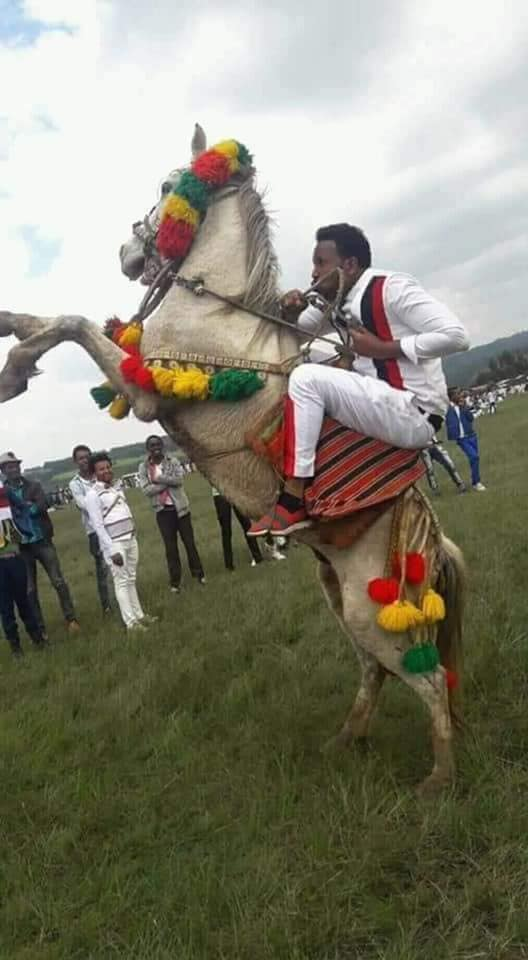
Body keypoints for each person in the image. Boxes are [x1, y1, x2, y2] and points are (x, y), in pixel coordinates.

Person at [249, 223, 470, 536]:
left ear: (349, 265)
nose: (313, 273)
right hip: (385, 404)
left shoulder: (392, 288)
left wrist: (384, 349)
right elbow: (294, 334)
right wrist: (290, 311)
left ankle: (293, 498)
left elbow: (457, 337)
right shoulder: (337, 302)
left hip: (413, 411)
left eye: (320, 263)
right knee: (300, 364)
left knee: (307, 378)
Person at [0, 452, 79, 636]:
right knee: (29, 590)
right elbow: (10, 514)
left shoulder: (34, 485)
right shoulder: (3, 492)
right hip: (21, 546)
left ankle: (71, 619)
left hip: (42, 541)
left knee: (58, 581)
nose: (13, 469)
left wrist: (23, 511)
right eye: (8, 466)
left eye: (15, 465)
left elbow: (42, 504)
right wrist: (26, 508)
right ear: (3, 471)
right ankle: (40, 628)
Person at [85, 452, 155, 633]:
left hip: (130, 538)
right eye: (101, 469)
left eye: (108, 467)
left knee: (131, 578)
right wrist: (110, 549)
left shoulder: (116, 488)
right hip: (115, 544)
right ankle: (131, 623)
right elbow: (98, 525)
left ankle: (139, 615)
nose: (106, 471)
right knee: (121, 582)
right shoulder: (92, 495)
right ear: (94, 473)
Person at [138, 436, 206, 593]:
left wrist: (158, 479)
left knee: (190, 544)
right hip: (163, 513)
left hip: (181, 510)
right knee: (171, 549)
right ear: (148, 448)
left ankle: (199, 575)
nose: (155, 447)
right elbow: (146, 490)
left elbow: (179, 481)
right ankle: (175, 583)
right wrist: (166, 482)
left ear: (162, 446)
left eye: (158, 444)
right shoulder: (143, 467)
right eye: (152, 445)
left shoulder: (173, 461)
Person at [0, 478, 47, 656]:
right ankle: (15, 647)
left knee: (24, 601)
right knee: (5, 607)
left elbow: (24, 507)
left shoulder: (5, 492)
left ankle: (37, 639)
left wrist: (21, 526)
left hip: (13, 555)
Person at [69, 445, 112, 614]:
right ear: (75, 461)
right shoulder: (75, 483)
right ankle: (107, 605)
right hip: (94, 531)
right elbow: (84, 505)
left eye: (87, 456)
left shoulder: (99, 475)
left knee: (118, 562)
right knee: (102, 568)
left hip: (111, 524)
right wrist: (100, 500)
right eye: (81, 458)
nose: (85, 460)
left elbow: (111, 493)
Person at [211, 487, 263, 570]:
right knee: (226, 529)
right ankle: (229, 564)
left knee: (246, 524)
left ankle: (257, 557)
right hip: (219, 494)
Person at [446, 389, 486, 491]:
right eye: (457, 394)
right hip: (462, 439)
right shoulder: (447, 409)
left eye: (459, 394)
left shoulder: (462, 406)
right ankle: (476, 482)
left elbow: (471, 418)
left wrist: (464, 406)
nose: (459, 396)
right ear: (451, 397)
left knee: (475, 459)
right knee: (474, 457)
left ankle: (475, 481)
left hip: (471, 435)